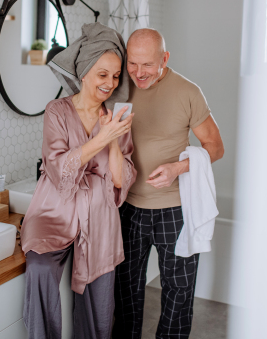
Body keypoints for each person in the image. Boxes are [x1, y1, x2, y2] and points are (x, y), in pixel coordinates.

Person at [20, 22, 137, 339]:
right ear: (84, 72)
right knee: (40, 271)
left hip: (99, 214)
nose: (110, 84)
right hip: (55, 211)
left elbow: (119, 178)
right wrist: (101, 139)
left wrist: (112, 137)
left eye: (115, 76)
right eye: (103, 75)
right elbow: (59, 169)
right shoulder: (56, 111)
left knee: (99, 307)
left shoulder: (115, 116)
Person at [112, 28, 224, 339]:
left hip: (176, 209)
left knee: (179, 291)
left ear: (165, 58)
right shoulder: (119, 88)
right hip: (129, 208)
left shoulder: (188, 92)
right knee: (125, 290)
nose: (138, 73)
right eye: (132, 63)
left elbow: (215, 146)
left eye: (147, 65)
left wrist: (178, 167)